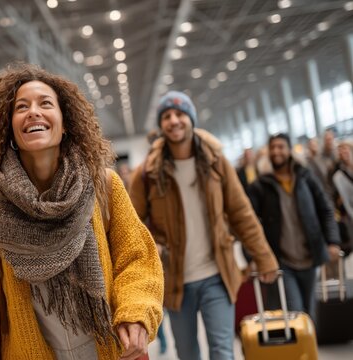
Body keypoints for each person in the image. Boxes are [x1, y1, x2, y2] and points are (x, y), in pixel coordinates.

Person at [0, 63, 163, 360]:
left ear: (64, 123)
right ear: (10, 128)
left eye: (45, 103)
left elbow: (137, 258)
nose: (34, 112)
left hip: (107, 350)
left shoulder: (102, 185)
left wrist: (135, 310)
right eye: (21, 107)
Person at [128, 91, 279, 360]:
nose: (174, 120)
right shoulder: (147, 172)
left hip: (217, 275)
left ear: (191, 118)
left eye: (180, 114)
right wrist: (153, 247)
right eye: (167, 116)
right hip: (175, 281)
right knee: (187, 354)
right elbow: (131, 225)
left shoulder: (216, 161)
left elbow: (241, 212)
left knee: (223, 351)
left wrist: (264, 258)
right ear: (161, 125)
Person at [248, 133, 341, 316]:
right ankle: (304, 343)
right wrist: (252, 256)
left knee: (310, 310)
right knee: (296, 311)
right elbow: (248, 222)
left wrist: (332, 241)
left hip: (310, 255)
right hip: (282, 260)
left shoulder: (306, 177)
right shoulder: (261, 186)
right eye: (273, 147)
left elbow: (326, 209)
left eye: (281, 146)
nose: (276, 151)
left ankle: (311, 344)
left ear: (289, 149)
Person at [330, 141, 353, 256]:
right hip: (349, 217)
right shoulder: (337, 175)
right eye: (340, 150)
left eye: (345, 149)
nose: (343, 152)